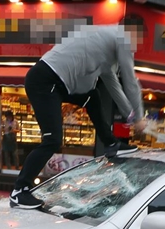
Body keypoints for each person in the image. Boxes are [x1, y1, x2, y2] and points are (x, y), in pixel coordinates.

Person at [9, 16, 148, 209]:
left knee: (93, 96)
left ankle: (111, 144)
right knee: (52, 140)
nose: (135, 46)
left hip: (58, 85)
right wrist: (139, 117)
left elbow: (112, 82)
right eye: (138, 40)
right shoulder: (121, 37)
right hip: (45, 81)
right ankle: (19, 191)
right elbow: (131, 81)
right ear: (133, 32)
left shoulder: (106, 39)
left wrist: (130, 115)